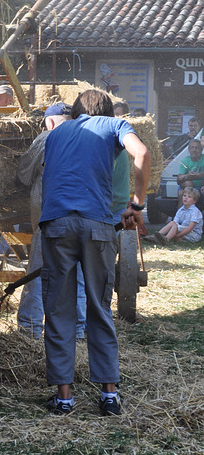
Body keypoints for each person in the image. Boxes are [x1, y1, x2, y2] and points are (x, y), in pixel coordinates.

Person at [40, 89, 150, 417]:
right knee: (99, 308)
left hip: (56, 223)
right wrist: (137, 204)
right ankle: (109, 396)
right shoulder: (115, 126)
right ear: (107, 111)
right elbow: (142, 154)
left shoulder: (57, 132)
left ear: (76, 111)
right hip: (97, 226)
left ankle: (64, 398)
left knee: (58, 309)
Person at [16, 102, 87, 340]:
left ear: (51, 121)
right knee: (76, 274)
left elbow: (24, 174)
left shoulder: (46, 138)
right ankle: (77, 330)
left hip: (51, 218)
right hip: (82, 218)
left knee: (38, 273)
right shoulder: (87, 139)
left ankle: (30, 329)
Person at [176, 139, 204, 205]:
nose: (194, 150)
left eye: (197, 148)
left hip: (201, 186)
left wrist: (201, 174)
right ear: (189, 150)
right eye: (192, 147)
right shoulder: (184, 161)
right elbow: (178, 180)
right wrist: (188, 176)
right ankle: (184, 213)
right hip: (189, 188)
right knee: (187, 185)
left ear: (201, 150)